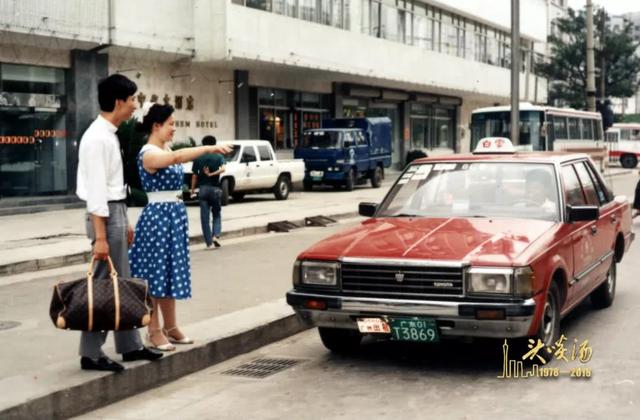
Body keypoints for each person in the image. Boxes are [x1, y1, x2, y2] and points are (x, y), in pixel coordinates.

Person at [76, 74, 163, 372]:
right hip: (104, 215)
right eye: (132, 100)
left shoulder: (108, 134)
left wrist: (123, 221)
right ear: (118, 102)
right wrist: (101, 236)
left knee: (120, 282)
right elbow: (97, 195)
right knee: (103, 284)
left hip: (115, 212)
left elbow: (112, 187)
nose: (135, 106)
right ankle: (91, 352)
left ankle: (129, 345)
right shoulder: (97, 138)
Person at [129, 104, 231, 351]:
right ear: (156, 126)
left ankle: (171, 327)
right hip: (158, 217)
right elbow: (175, 159)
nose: (174, 128)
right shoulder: (149, 153)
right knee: (154, 276)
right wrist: (208, 148)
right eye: (171, 124)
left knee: (170, 272)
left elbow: (175, 156)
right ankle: (154, 331)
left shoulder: (165, 148)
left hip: (173, 216)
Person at [191, 135, 226, 248]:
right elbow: (223, 169)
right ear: (214, 144)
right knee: (216, 214)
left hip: (203, 189)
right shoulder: (219, 156)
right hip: (215, 189)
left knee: (204, 218)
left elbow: (194, 176)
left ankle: (209, 243)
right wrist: (212, 174)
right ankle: (215, 235)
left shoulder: (198, 158)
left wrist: (192, 190)